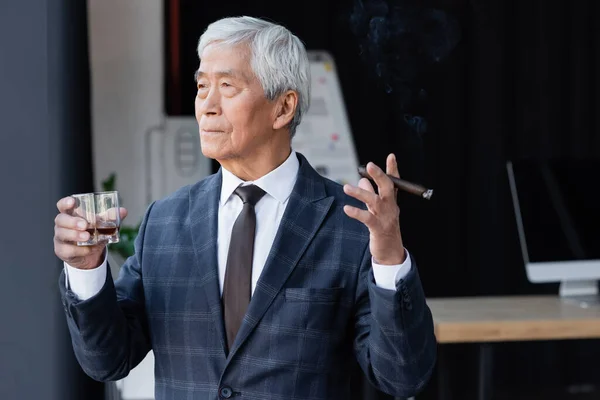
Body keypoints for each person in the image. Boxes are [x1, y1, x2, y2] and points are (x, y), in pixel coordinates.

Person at [54, 16, 436, 400]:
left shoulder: (350, 225)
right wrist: (87, 271)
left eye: (226, 86)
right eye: (202, 86)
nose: (207, 105)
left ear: (283, 108)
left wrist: (389, 258)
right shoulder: (165, 222)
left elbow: (402, 377)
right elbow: (107, 360)